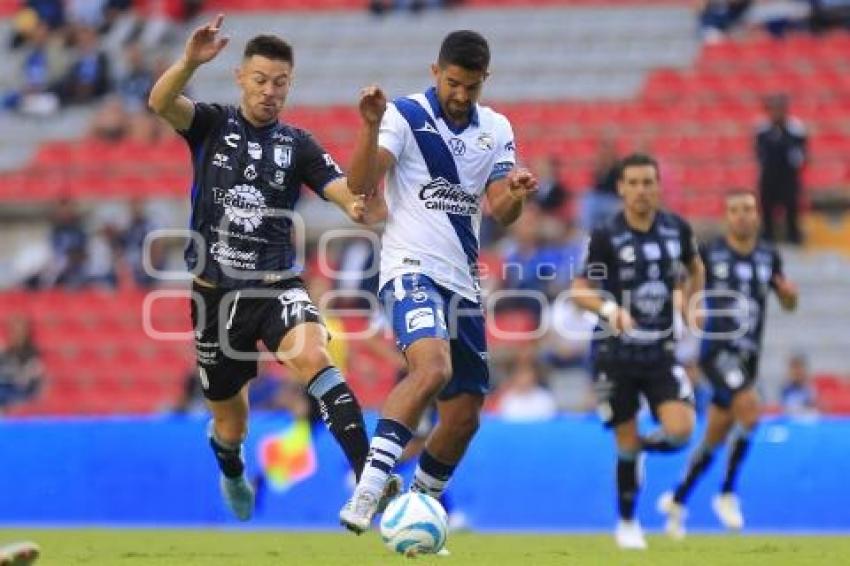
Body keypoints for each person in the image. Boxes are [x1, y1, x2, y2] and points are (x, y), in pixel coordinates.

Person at [147, 14, 389, 522]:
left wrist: (367, 148)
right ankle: (232, 468)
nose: (269, 92)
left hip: (276, 286)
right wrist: (190, 60)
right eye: (260, 80)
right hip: (214, 297)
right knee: (231, 425)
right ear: (240, 77)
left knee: (317, 358)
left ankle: (368, 479)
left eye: (280, 83)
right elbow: (160, 103)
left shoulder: (298, 145)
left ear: (289, 85)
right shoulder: (211, 124)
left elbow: (352, 200)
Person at [339, 29, 538, 536]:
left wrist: (515, 191)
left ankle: (417, 509)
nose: (461, 95)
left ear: (484, 81)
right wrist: (367, 126)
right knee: (430, 369)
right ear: (435, 72)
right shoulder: (404, 115)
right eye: (453, 83)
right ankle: (368, 489)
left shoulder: (495, 127)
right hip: (409, 268)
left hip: (463, 284)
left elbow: (502, 211)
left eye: (471, 86)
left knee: (466, 414)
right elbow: (362, 184)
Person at [571, 153, 705, 550]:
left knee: (681, 432)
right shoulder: (605, 235)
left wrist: (687, 299)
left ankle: (641, 450)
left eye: (649, 182)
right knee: (625, 442)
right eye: (634, 183)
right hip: (615, 355)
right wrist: (611, 310)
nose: (642, 190)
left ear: (658, 186)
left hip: (661, 352)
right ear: (621, 189)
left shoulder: (677, 230)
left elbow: (695, 268)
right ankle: (628, 523)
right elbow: (580, 290)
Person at [658, 190, 798, 538]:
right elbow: (677, 288)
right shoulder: (710, 252)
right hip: (718, 352)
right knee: (750, 411)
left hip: (749, 356)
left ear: (757, 215)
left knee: (715, 436)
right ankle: (727, 494)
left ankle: (676, 500)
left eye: (748, 209)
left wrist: (789, 297)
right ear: (726, 216)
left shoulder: (769, 255)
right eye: (734, 210)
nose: (742, 216)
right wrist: (691, 307)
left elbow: (787, 302)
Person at [755, 93, 807, 244]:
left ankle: (793, 236)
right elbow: (760, 153)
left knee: (791, 207)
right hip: (769, 175)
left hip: (788, 176)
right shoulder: (762, 130)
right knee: (767, 207)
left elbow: (800, 154)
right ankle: (768, 237)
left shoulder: (795, 129)